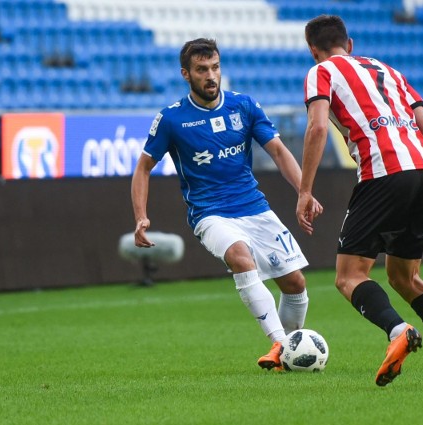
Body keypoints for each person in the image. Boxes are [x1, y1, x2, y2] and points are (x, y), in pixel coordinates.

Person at [296, 15, 423, 386]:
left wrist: (305, 191)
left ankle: (397, 329)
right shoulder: (390, 71)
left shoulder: (320, 72)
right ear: (349, 44)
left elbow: (318, 126)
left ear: (313, 50)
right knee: (406, 277)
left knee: (349, 276)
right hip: (422, 174)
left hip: (383, 173)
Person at [131, 38, 322, 371]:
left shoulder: (244, 106)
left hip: (255, 207)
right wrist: (141, 217)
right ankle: (279, 343)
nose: (211, 76)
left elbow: (277, 151)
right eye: (202, 69)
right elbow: (143, 168)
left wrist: (303, 191)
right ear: (186, 74)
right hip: (210, 214)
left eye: (215, 67)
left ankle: (288, 354)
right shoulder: (172, 119)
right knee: (239, 256)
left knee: (296, 284)